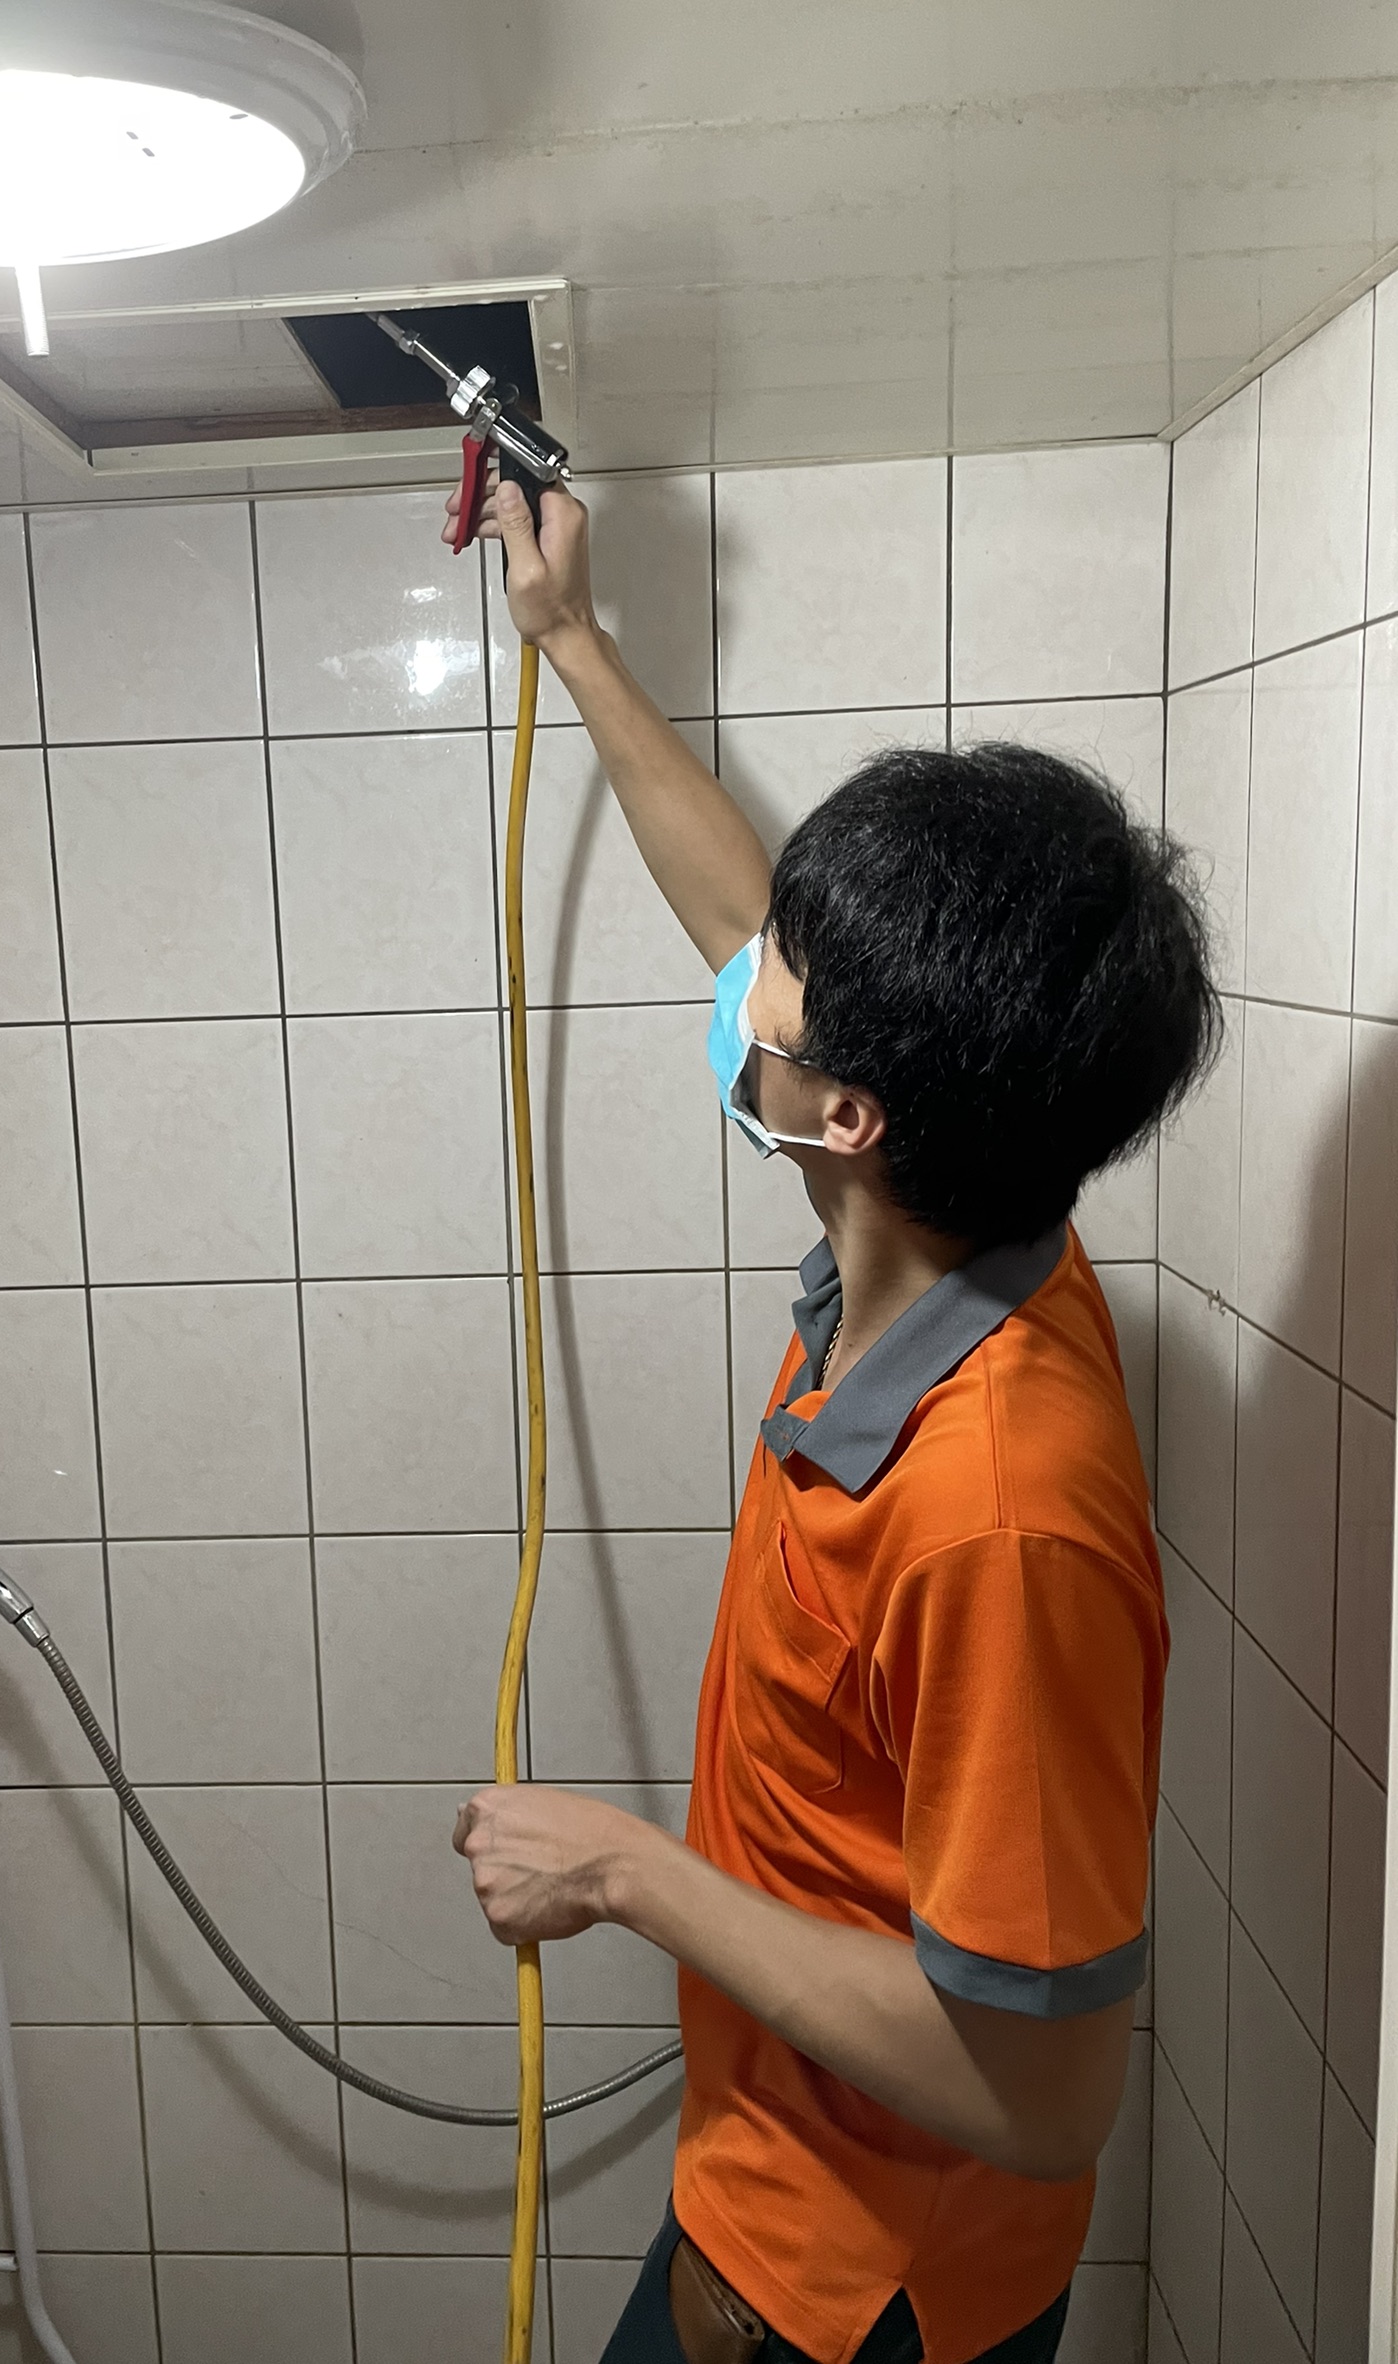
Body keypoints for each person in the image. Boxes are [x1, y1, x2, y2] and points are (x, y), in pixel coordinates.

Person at [448, 475, 1217, 2364]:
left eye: (781, 980)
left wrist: (619, 1871)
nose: (744, 981)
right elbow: (734, 904)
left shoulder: (997, 1513)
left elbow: (1044, 2094)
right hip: (778, 2184)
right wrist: (569, 640)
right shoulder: (970, 1222)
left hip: (854, 2295)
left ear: (848, 1114)